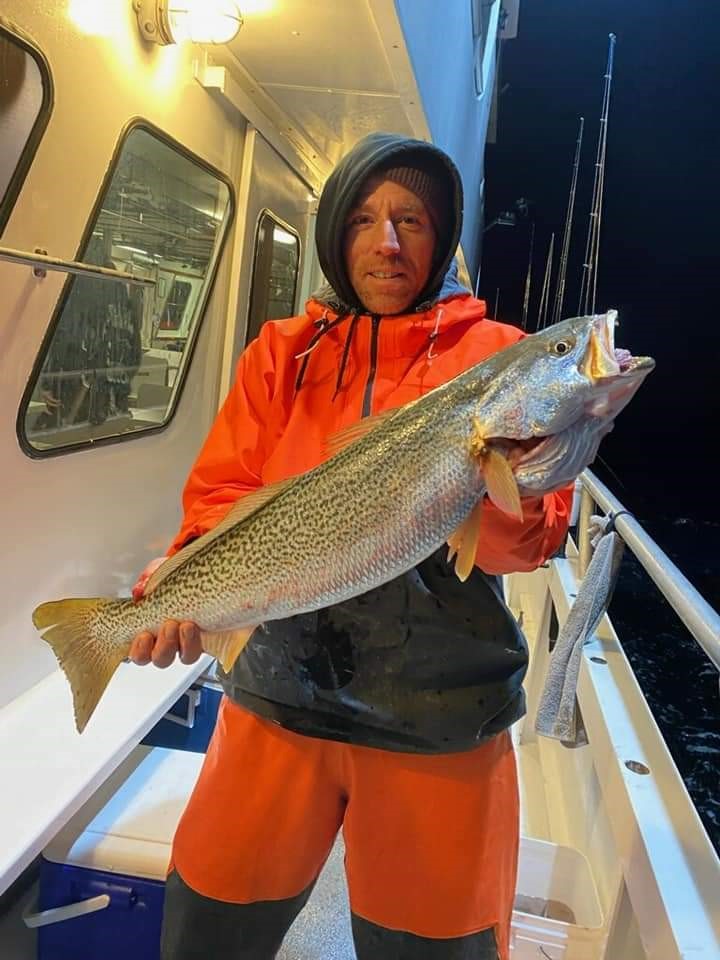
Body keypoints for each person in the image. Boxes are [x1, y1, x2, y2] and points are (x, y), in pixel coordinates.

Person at [129, 131, 604, 960]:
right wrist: (189, 578)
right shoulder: (281, 353)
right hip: (277, 698)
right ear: (335, 235)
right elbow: (220, 498)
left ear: (442, 235)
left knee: (428, 949)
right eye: (363, 219)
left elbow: (524, 546)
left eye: (413, 220)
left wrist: (503, 474)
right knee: (207, 931)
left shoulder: (494, 357)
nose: (387, 243)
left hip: (443, 718)